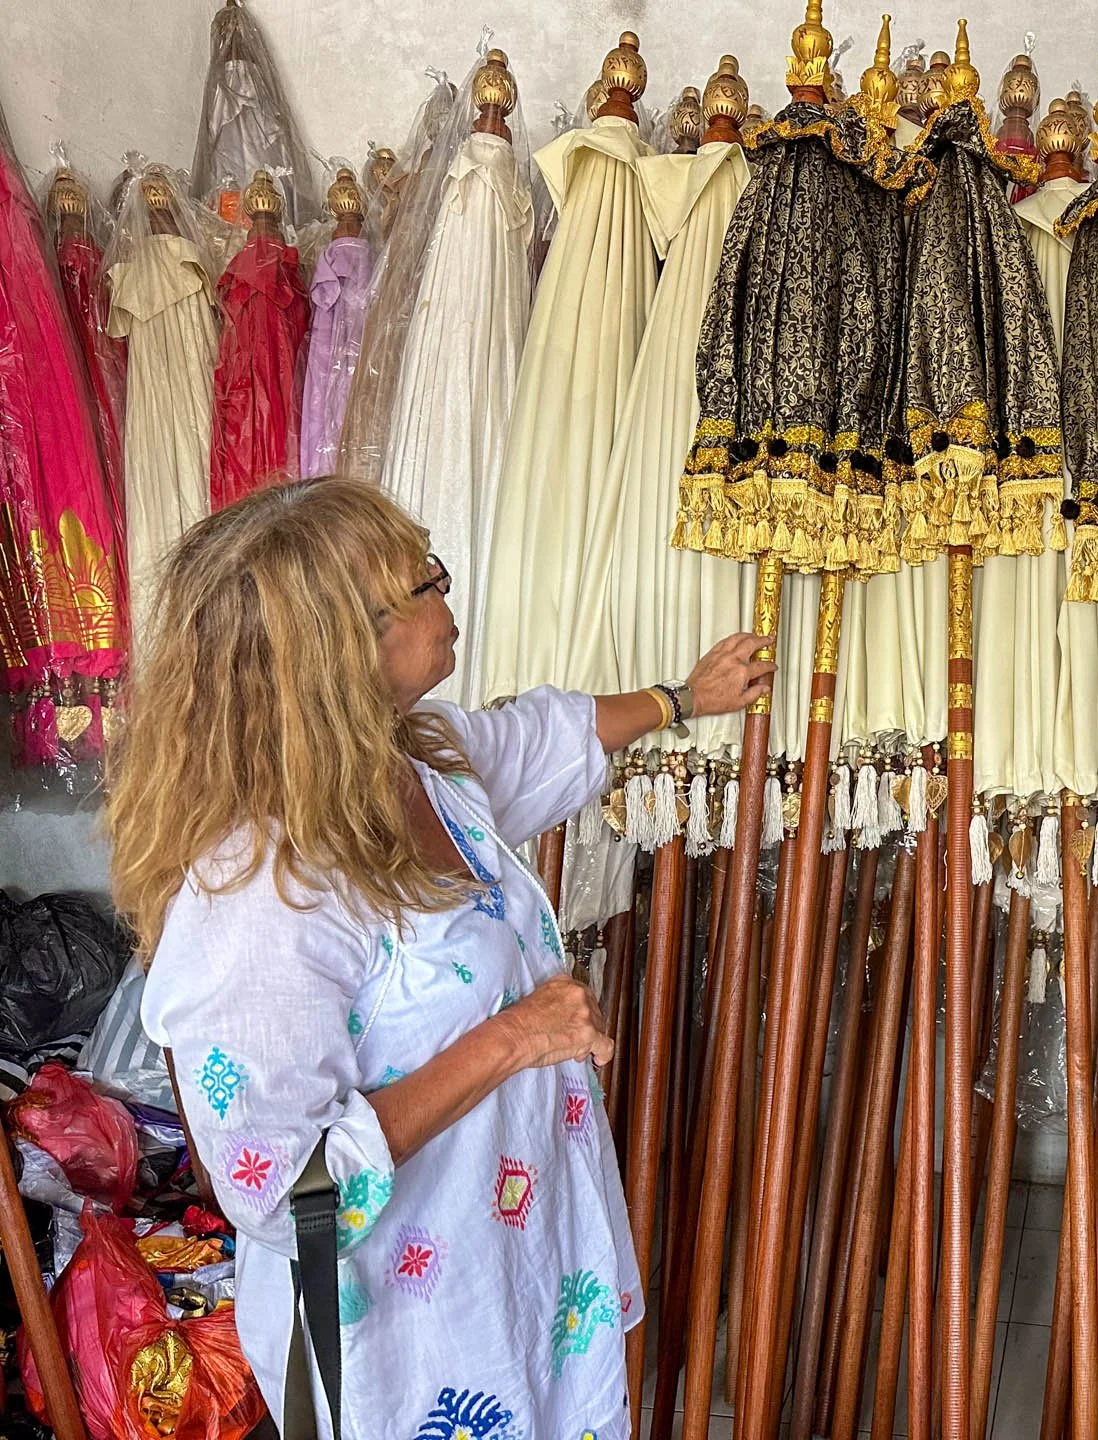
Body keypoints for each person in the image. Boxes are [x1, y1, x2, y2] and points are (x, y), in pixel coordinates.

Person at [108, 478, 773, 1440]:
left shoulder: (424, 767)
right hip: (409, 1353)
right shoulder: (260, 894)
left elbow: (544, 736)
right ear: (343, 644)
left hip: (522, 1276)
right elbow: (284, 1187)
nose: (448, 603)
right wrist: (512, 1040)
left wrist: (684, 697)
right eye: (425, 585)